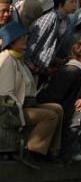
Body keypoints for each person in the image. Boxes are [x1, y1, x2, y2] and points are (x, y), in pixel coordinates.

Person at [0, 22, 63, 161]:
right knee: (50, 116)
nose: (25, 39)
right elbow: (5, 93)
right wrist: (19, 115)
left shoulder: (19, 58)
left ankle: (52, 150)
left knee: (57, 109)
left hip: (29, 102)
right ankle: (33, 150)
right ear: (11, 41)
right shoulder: (6, 59)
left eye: (25, 36)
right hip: (16, 108)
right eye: (20, 37)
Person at [25, 0, 78, 82]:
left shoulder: (67, 20)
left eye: (75, 2)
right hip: (33, 67)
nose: (75, 5)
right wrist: (30, 66)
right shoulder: (51, 17)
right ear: (61, 2)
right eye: (71, 1)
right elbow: (33, 42)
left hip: (44, 69)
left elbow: (51, 46)